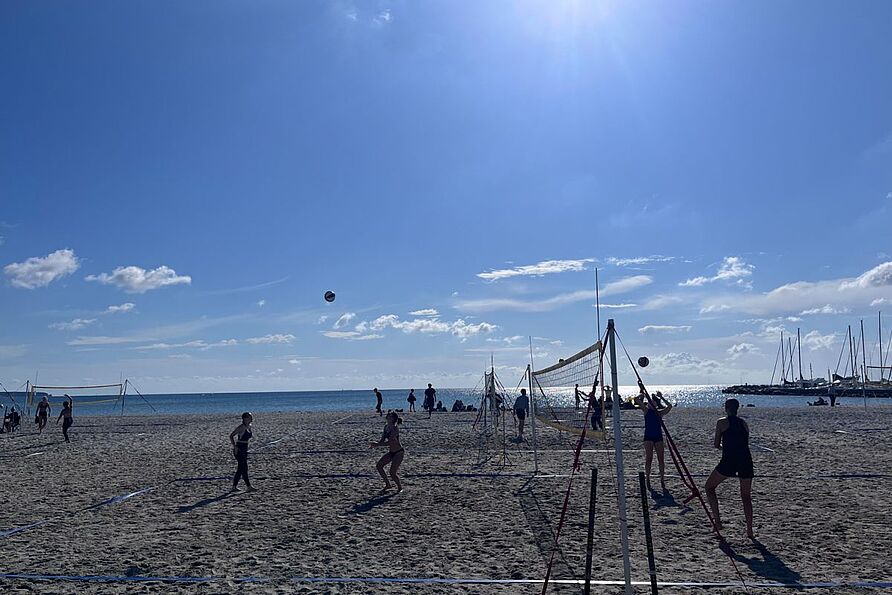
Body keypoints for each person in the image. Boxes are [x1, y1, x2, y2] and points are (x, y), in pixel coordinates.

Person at [705, 398, 754, 539]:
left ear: (726, 408)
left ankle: (718, 522)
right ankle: (749, 530)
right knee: (746, 496)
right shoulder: (744, 424)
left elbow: (716, 444)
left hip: (730, 460)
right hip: (746, 459)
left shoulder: (721, 422)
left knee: (709, 487)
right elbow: (744, 443)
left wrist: (725, 448)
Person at [635, 391, 672, 490]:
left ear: (656, 404)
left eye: (653, 402)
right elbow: (636, 400)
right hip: (648, 437)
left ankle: (662, 479)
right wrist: (641, 393)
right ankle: (647, 478)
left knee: (661, 459)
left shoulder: (659, 413)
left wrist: (662, 397)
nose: (651, 403)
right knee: (649, 459)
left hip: (658, 437)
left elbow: (669, 406)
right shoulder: (646, 411)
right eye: (650, 401)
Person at [369, 411, 405, 493]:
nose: (389, 417)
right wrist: (375, 444)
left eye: (391, 416)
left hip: (399, 452)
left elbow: (390, 442)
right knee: (379, 466)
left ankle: (400, 488)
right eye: (388, 416)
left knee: (392, 473)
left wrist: (377, 445)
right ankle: (388, 484)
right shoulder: (386, 427)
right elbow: (382, 440)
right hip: (391, 452)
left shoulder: (395, 428)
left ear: (394, 419)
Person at [229, 412, 257, 492]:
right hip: (239, 449)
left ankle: (234, 487)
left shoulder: (249, 426)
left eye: (251, 417)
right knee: (244, 468)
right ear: (244, 418)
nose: (250, 418)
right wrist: (235, 447)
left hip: (245, 448)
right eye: (249, 417)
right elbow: (231, 436)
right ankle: (248, 486)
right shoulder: (241, 427)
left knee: (241, 469)